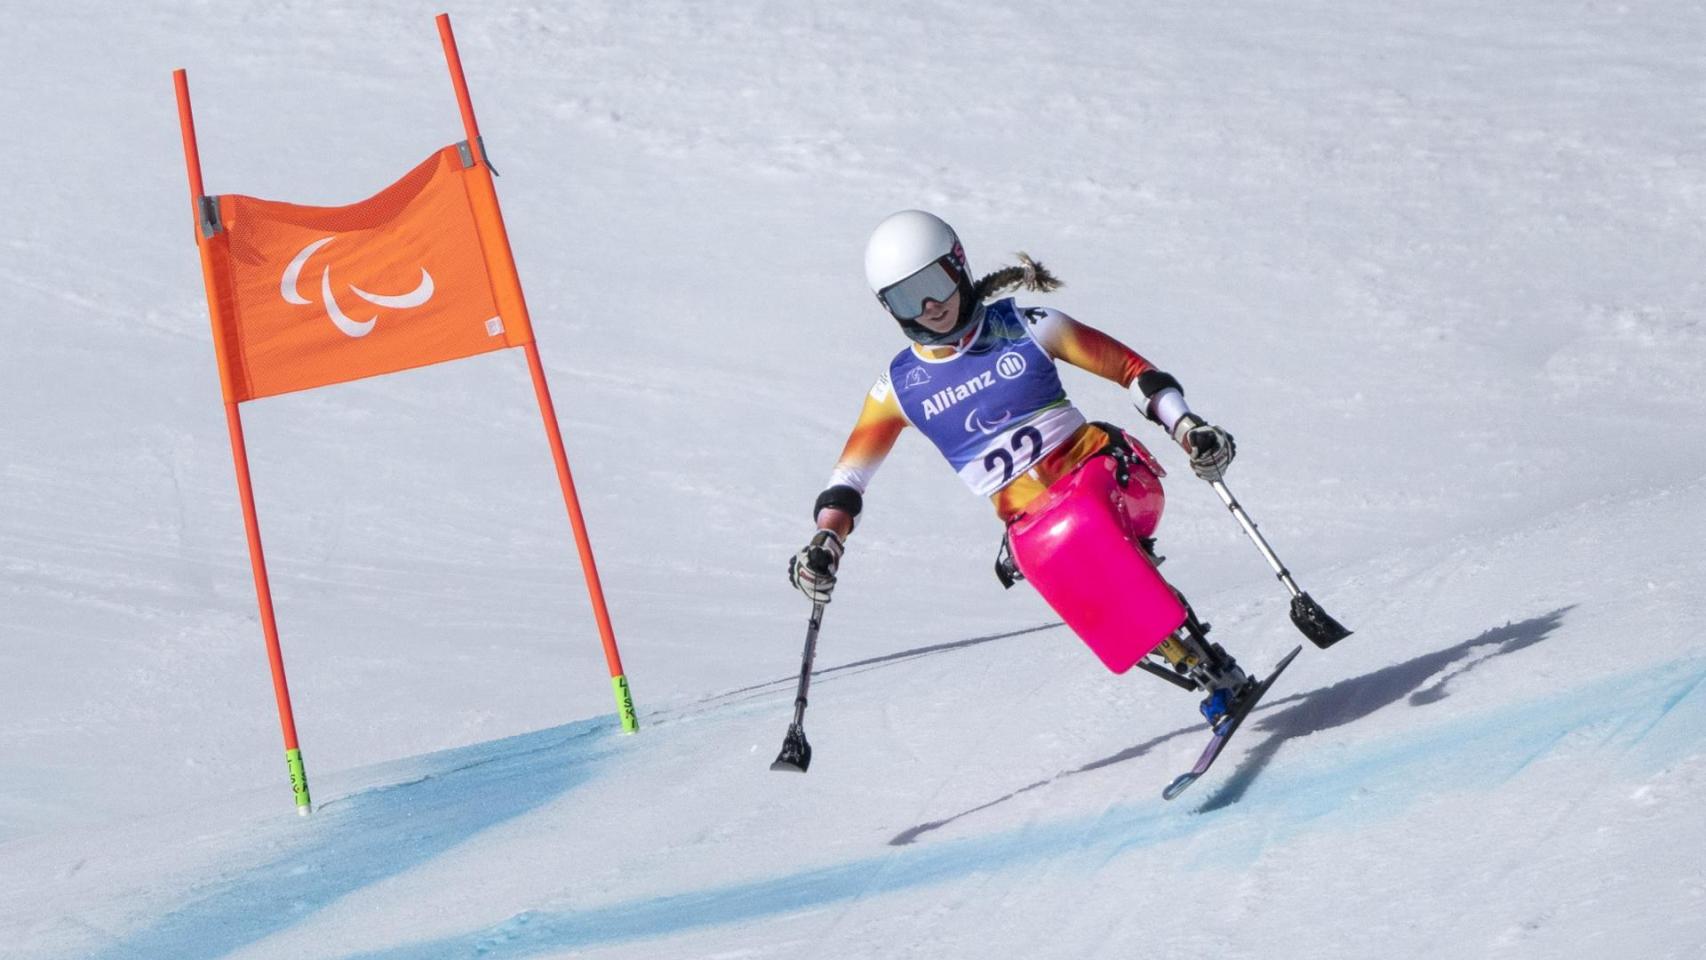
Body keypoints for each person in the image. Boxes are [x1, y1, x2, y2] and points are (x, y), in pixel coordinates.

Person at [787, 210, 1257, 730]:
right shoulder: (898, 388)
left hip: (1109, 475)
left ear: (958, 265)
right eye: (906, 298)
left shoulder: (1028, 326)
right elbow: (849, 478)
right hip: (1034, 522)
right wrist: (826, 542)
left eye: (934, 284)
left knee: (1079, 522)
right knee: (1049, 558)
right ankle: (1202, 669)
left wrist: (1187, 428)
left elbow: (1133, 372)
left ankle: (1209, 665)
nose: (929, 306)